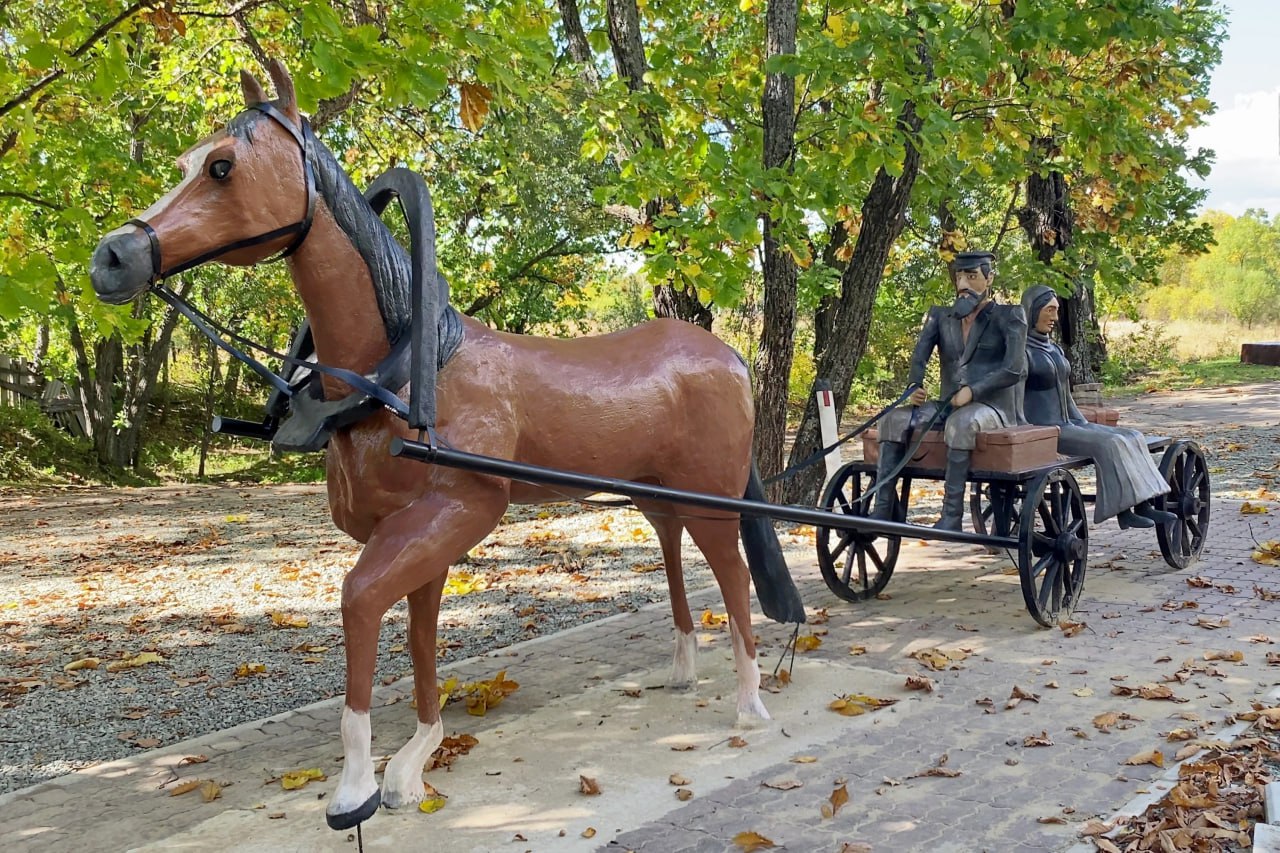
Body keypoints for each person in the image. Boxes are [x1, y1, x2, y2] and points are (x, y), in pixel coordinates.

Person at [872, 251, 1028, 531]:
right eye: (959, 276)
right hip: (947, 403)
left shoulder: (1010, 316)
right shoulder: (941, 316)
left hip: (992, 407)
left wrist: (973, 390)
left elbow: (1013, 369)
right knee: (892, 420)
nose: (963, 284)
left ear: (989, 278)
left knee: (961, 423)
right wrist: (914, 384)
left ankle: (951, 517)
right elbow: (920, 355)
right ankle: (882, 510)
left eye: (972, 276)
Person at [1020, 284, 1174, 529]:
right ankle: (1122, 511)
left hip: (1070, 421)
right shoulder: (1021, 353)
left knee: (1133, 436)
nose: (1054, 317)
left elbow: (1064, 394)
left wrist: (1083, 422)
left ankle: (1144, 503)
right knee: (1110, 443)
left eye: (1056, 310)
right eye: (1049, 310)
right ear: (1032, 310)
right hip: (1046, 430)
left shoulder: (1054, 349)